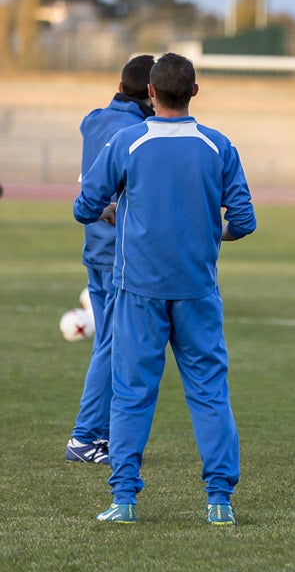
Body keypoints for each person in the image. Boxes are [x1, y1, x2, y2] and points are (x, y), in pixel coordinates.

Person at [73, 52, 256, 525]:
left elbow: (85, 206)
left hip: (139, 289)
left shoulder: (128, 141)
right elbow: (244, 223)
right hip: (197, 289)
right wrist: (205, 230)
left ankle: (124, 500)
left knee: (132, 393)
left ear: (150, 93)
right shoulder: (218, 146)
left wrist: (116, 211)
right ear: (195, 91)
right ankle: (219, 502)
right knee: (210, 393)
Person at [65, 54, 155, 466]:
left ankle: (98, 435)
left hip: (93, 248)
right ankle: (85, 438)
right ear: (151, 97)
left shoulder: (92, 120)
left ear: (119, 88)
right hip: (120, 254)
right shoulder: (139, 132)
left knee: (110, 342)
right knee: (112, 344)